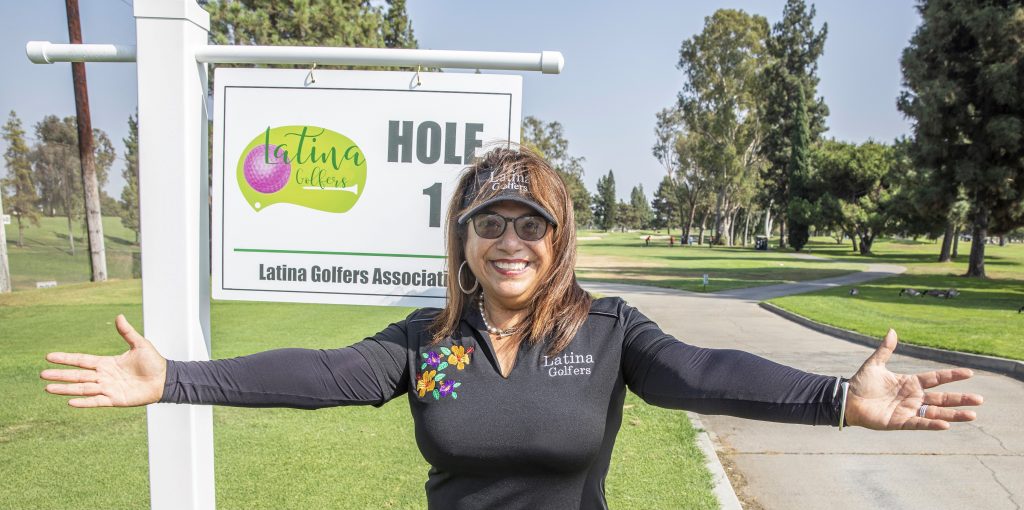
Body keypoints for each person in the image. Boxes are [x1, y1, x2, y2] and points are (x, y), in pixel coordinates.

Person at [41, 146, 983, 510]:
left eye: (531, 225)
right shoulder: (426, 343)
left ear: (559, 239)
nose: (510, 241)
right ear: (464, 237)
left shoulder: (610, 331)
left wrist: (834, 398)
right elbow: (323, 373)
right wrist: (177, 379)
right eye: (490, 223)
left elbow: (702, 371)